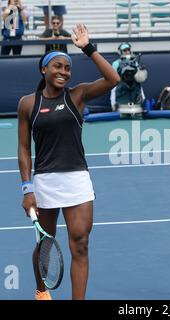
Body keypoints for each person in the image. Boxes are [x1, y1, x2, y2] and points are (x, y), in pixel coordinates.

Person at [17, 24, 120, 300]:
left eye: (68, 68)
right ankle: (41, 292)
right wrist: (27, 189)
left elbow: (113, 79)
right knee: (45, 244)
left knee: (81, 245)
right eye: (58, 67)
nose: (64, 72)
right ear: (44, 70)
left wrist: (88, 47)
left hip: (77, 181)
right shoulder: (28, 103)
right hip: (45, 182)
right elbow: (24, 148)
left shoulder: (78, 95)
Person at [110, 42, 146, 111]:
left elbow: (139, 76)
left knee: (139, 87)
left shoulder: (135, 62)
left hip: (133, 83)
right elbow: (113, 76)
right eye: (124, 50)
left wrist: (141, 72)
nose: (127, 52)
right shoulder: (116, 63)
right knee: (113, 89)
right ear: (120, 52)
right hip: (120, 84)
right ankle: (114, 107)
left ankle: (141, 105)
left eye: (128, 50)